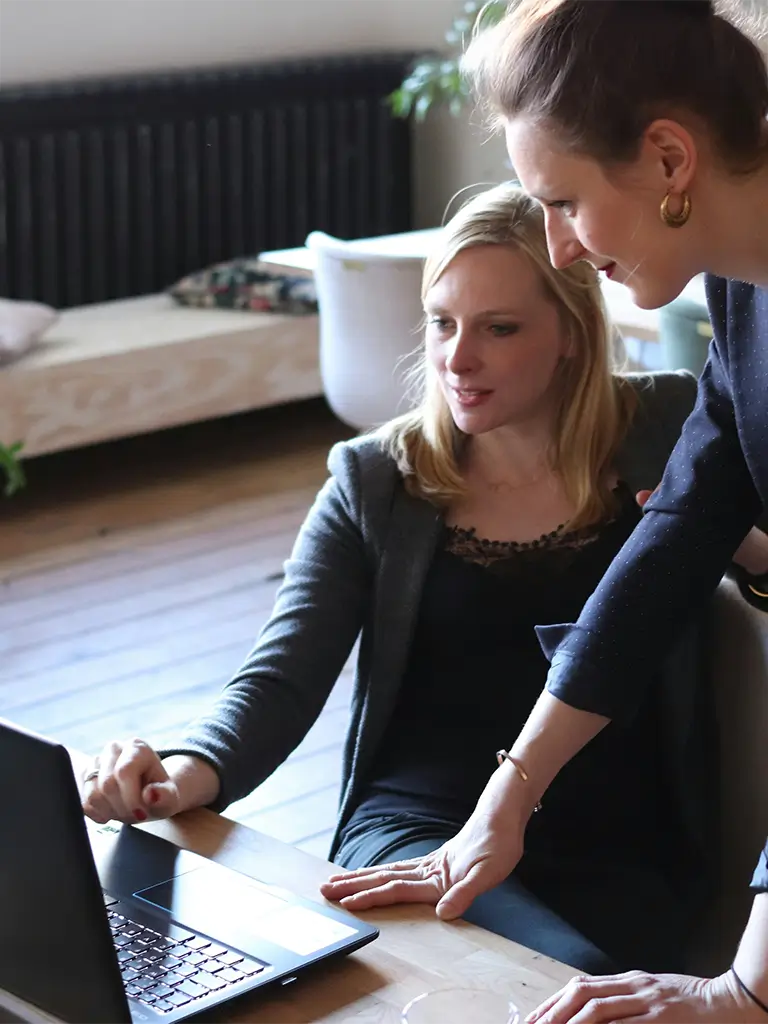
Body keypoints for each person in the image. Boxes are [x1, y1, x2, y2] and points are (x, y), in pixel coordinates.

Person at [82, 182, 761, 975]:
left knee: (563, 975)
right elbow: (280, 679)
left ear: (572, 333)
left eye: (498, 328)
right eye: (442, 322)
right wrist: (178, 774)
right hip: (417, 828)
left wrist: (743, 551)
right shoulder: (376, 480)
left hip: (620, 842)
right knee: (534, 974)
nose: (456, 358)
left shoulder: (670, 426)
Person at [321, 1, 768, 1021]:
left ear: (668, 159)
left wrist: (747, 986)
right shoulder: (745, 290)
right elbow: (671, 538)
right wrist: (504, 803)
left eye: (564, 201)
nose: (561, 249)